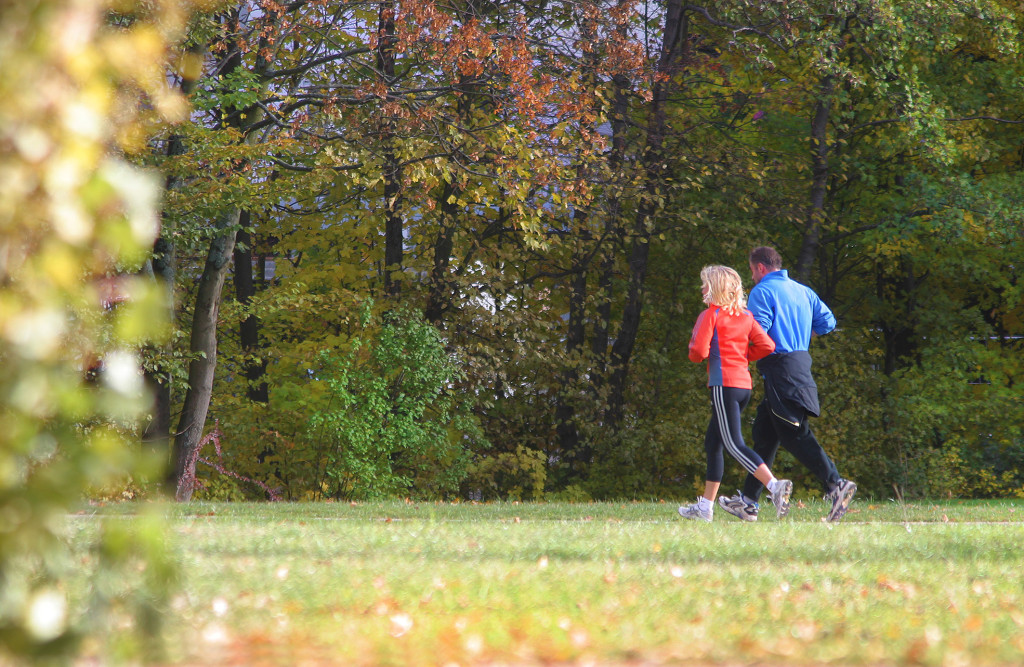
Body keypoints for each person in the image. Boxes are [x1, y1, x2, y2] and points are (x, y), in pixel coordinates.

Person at [717, 246, 857, 523]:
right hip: (799, 364)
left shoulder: (762, 292)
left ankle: (835, 484)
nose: (752, 277)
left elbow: (757, 331)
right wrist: (802, 336)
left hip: (781, 368)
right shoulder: (803, 291)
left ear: (759, 267)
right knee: (765, 434)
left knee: (794, 432)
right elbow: (828, 322)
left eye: (751, 271)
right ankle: (748, 502)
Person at [678, 265, 793, 522]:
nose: (702, 289)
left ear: (715, 288)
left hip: (723, 385)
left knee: (733, 443)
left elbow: (697, 353)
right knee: (714, 442)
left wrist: (702, 352)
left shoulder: (711, 315)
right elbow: (767, 345)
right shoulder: (746, 317)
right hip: (744, 386)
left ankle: (774, 486)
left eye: (705, 284)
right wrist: (743, 356)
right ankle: (705, 507)